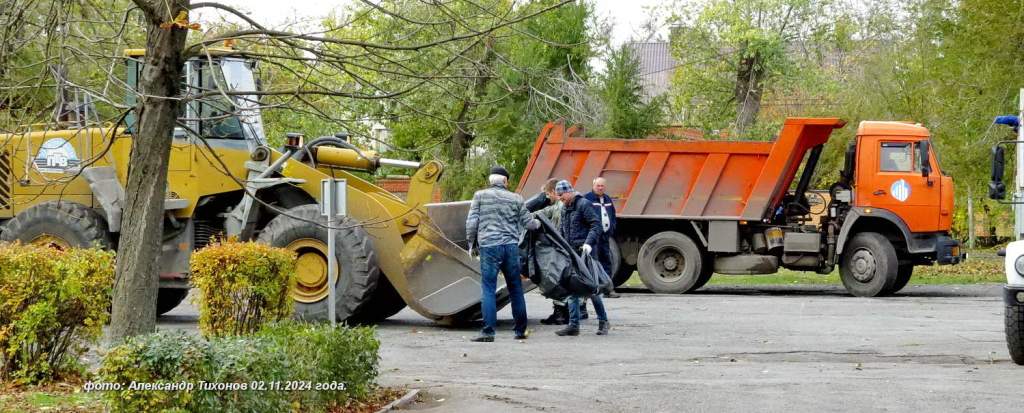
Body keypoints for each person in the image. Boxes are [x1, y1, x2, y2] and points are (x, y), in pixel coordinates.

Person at [466, 166, 540, 342]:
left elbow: (472, 222)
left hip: (489, 247)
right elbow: (529, 224)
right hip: (510, 247)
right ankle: (520, 330)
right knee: (515, 288)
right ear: (505, 181)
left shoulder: (480, 196)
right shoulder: (516, 198)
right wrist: (539, 223)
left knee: (488, 289)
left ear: (490, 180)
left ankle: (488, 332)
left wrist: (471, 244)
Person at [552, 180, 610, 336]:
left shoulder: (584, 204)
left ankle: (603, 322)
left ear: (569, 192)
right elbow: (563, 230)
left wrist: (588, 243)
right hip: (572, 254)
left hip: (586, 254)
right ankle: (573, 326)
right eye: (558, 196)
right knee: (572, 289)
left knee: (592, 289)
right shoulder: (565, 208)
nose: (560, 198)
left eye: (561, 195)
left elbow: (596, 225)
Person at [525, 178, 570, 325]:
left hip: (560, 247)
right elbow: (540, 213)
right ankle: (564, 312)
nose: (546, 197)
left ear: (553, 192)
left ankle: (562, 314)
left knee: (556, 278)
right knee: (559, 278)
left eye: (547, 194)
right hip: (562, 246)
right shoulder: (557, 206)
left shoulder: (560, 206)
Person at [584, 177, 620, 299]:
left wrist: (611, 228)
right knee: (593, 262)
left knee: (606, 261)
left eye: (602, 186)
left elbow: (613, 215)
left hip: (605, 236)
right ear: (593, 186)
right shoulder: (587, 199)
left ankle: (608, 290)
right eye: (598, 186)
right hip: (593, 237)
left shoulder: (607, 199)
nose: (600, 188)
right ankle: (592, 290)